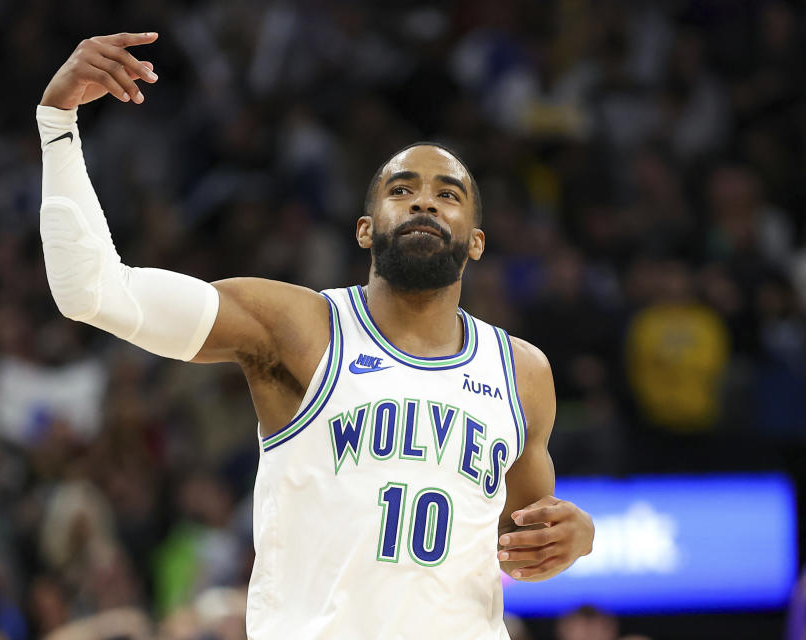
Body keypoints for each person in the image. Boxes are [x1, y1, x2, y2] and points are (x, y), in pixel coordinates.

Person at [37, 32, 594, 640]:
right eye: (401, 190)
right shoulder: (295, 328)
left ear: (477, 241)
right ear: (364, 229)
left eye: (448, 195)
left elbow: (524, 547)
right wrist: (57, 122)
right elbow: (91, 291)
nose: (424, 204)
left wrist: (573, 538)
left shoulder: (523, 373)